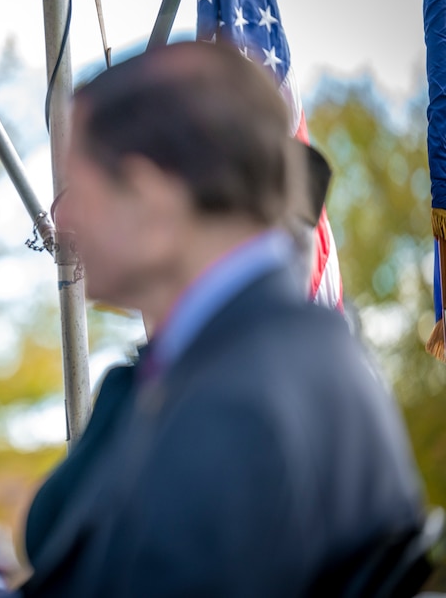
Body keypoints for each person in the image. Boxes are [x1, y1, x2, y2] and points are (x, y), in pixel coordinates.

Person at [22, 41, 426, 596]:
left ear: (149, 197)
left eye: (76, 187)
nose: (61, 216)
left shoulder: (238, 404)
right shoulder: (281, 354)